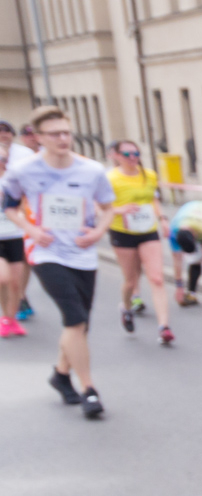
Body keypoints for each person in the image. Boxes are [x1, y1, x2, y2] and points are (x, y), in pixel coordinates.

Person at [3, 104, 115, 418]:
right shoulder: (23, 171)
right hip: (45, 252)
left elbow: (107, 208)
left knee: (81, 324)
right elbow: (10, 206)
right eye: (55, 134)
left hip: (83, 252)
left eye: (66, 132)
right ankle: (89, 390)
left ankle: (60, 374)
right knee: (74, 317)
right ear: (39, 137)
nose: (63, 138)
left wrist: (97, 234)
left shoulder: (91, 170)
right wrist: (31, 229)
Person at [107, 140, 174, 346]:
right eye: (127, 154)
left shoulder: (149, 174)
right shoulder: (110, 178)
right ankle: (126, 308)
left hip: (147, 229)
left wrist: (162, 219)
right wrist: (120, 210)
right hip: (123, 231)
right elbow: (99, 206)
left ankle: (164, 327)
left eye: (136, 153)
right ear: (116, 156)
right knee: (130, 280)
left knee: (156, 278)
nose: (133, 157)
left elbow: (153, 198)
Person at [0, 119, 36, 322]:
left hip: (21, 217)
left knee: (24, 260)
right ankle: (14, 301)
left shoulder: (25, 154)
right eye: (0, 131)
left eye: (7, 131)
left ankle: (20, 294)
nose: (3, 134)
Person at [0, 148, 29, 336]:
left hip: (15, 235)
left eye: (3, 158)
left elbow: (26, 204)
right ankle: (5, 317)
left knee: (16, 284)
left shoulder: (12, 182)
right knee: (3, 278)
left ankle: (10, 320)